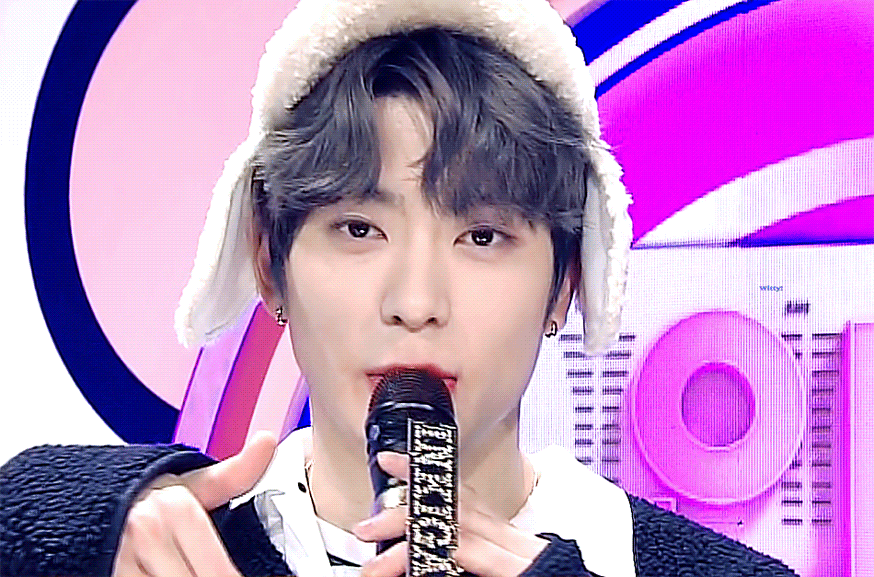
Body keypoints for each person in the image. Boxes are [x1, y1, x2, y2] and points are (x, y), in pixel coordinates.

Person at [0, 0, 797, 576]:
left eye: (482, 237)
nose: (415, 301)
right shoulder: (169, 551)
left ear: (565, 285)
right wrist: (79, 524)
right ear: (271, 264)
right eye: (358, 228)